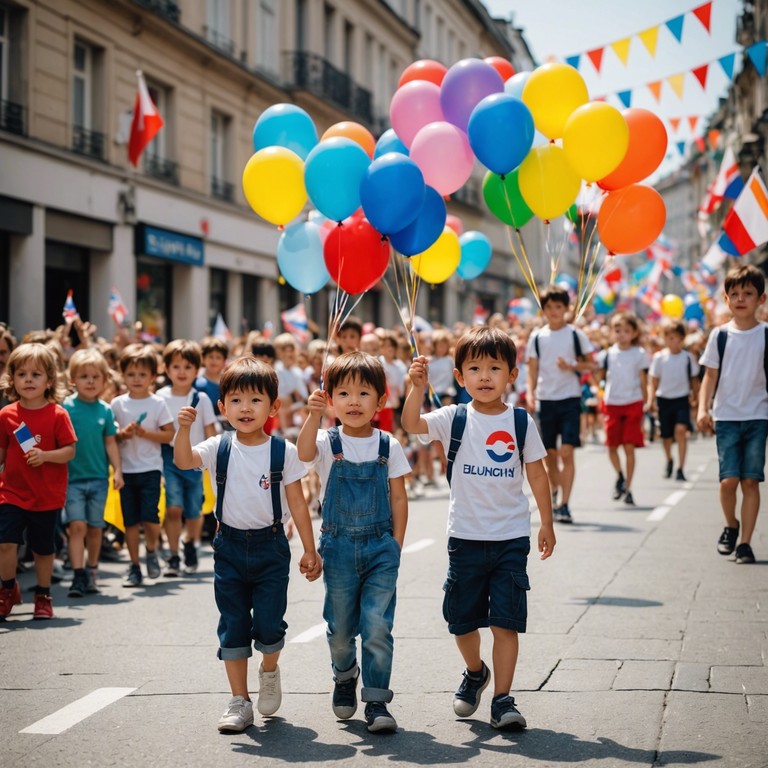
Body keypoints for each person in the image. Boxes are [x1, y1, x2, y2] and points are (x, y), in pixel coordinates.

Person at [402, 326, 555, 731]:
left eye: (494, 368)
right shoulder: (453, 417)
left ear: (512, 374)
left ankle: (503, 700)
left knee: (506, 622)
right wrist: (415, 386)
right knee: (461, 621)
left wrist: (547, 523)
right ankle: (475, 672)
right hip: (464, 538)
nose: (484, 376)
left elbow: (538, 475)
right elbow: (411, 423)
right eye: (474, 368)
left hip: (510, 539)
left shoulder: (521, 421)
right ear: (459, 376)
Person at [174, 356, 321, 732]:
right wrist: (182, 431)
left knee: (270, 628)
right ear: (222, 407)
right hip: (229, 547)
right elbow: (184, 460)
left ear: (273, 407)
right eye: (236, 400)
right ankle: (239, 701)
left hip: (272, 547)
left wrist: (309, 548)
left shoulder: (282, 451)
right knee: (233, 624)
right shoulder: (217, 447)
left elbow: (298, 503)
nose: (245, 408)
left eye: (256, 400)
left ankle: (269, 670)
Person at [297, 351, 410, 733]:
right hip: (339, 547)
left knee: (377, 624)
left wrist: (395, 544)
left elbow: (398, 498)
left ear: (381, 400)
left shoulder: (388, 445)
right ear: (330, 400)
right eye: (343, 393)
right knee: (340, 628)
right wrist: (312, 417)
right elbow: (302, 453)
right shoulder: (328, 442)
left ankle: (377, 700)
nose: (354, 401)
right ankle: (345, 675)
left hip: (380, 547)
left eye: (364, 393)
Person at [0, 343, 77, 620]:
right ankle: (8, 590)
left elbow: (69, 451)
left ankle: (43, 596)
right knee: (6, 543)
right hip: (11, 493)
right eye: (21, 374)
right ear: (12, 379)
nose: (28, 380)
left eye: (35, 374)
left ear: (49, 380)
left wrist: (45, 456)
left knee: (42, 549)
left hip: (47, 495)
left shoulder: (58, 414)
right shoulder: (6, 414)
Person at [697, 264, 768, 565]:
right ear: (726, 299)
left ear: (761, 299)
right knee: (728, 481)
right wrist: (703, 408)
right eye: (734, 293)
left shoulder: (766, 334)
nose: (741, 299)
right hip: (726, 416)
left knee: (750, 481)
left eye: (748, 293)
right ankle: (731, 524)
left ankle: (746, 544)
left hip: (758, 416)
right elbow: (709, 377)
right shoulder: (720, 335)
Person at [526, 286, 594, 524]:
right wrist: (531, 394)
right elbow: (532, 369)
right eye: (549, 308)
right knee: (550, 455)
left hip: (570, 399)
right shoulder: (536, 337)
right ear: (543, 310)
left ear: (566, 309)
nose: (554, 312)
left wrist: (572, 365)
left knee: (567, 451)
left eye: (558, 307)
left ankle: (564, 504)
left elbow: (591, 364)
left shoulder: (576, 334)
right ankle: (555, 490)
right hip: (546, 399)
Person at [111, 343, 174, 587]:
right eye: (131, 374)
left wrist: (146, 433)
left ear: (152, 376)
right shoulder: (117, 404)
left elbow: (169, 435)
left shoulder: (157, 403)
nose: (136, 379)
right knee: (130, 521)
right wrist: (123, 435)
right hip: (125, 470)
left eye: (142, 374)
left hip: (150, 469)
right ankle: (134, 565)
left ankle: (151, 551)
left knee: (150, 516)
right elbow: (110, 437)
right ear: (123, 374)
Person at [63, 348, 124, 597]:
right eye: (84, 376)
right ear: (72, 380)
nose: (90, 381)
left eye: (95, 377)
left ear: (104, 381)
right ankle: (78, 576)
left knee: (95, 528)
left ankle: (92, 570)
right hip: (72, 479)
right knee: (77, 527)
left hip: (99, 479)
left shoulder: (105, 410)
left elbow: (111, 442)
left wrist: (117, 470)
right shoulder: (65, 408)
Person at [157, 339, 218, 576]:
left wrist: (215, 459)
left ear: (197, 369)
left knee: (194, 509)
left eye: (188, 367)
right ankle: (173, 555)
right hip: (168, 458)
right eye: (176, 367)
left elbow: (211, 431)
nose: (182, 372)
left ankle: (190, 543)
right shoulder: (159, 397)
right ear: (166, 368)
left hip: (196, 458)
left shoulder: (201, 399)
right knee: (173, 507)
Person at [595, 312, 650, 507]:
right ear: (611, 332)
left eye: (626, 331)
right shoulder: (606, 354)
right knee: (611, 446)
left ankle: (628, 486)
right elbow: (599, 377)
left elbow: (644, 379)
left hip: (633, 402)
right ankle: (619, 475)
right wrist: (598, 394)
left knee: (628, 446)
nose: (621, 334)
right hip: (612, 403)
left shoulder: (640, 354)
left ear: (634, 333)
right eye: (617, 330)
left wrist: (648, 400)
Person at [646, 320, 700, 483]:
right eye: (668, 337)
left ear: (681, 339)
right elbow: (653, 381)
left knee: (681, 430)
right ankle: (669, 459)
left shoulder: (687, 357)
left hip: (682, 399)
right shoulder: (659, 358)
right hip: (664, 400)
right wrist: (650, 400)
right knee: (666, 436)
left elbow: (694, 380)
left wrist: (696, 399)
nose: (672, 341)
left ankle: (681, 468)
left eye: (675, 337)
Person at [195, 335, 230, 432]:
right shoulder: (197, 381)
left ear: (224, 360)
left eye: (218, 357)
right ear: (203, 358)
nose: (214, 361)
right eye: (210, 357)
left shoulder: (229, 381)